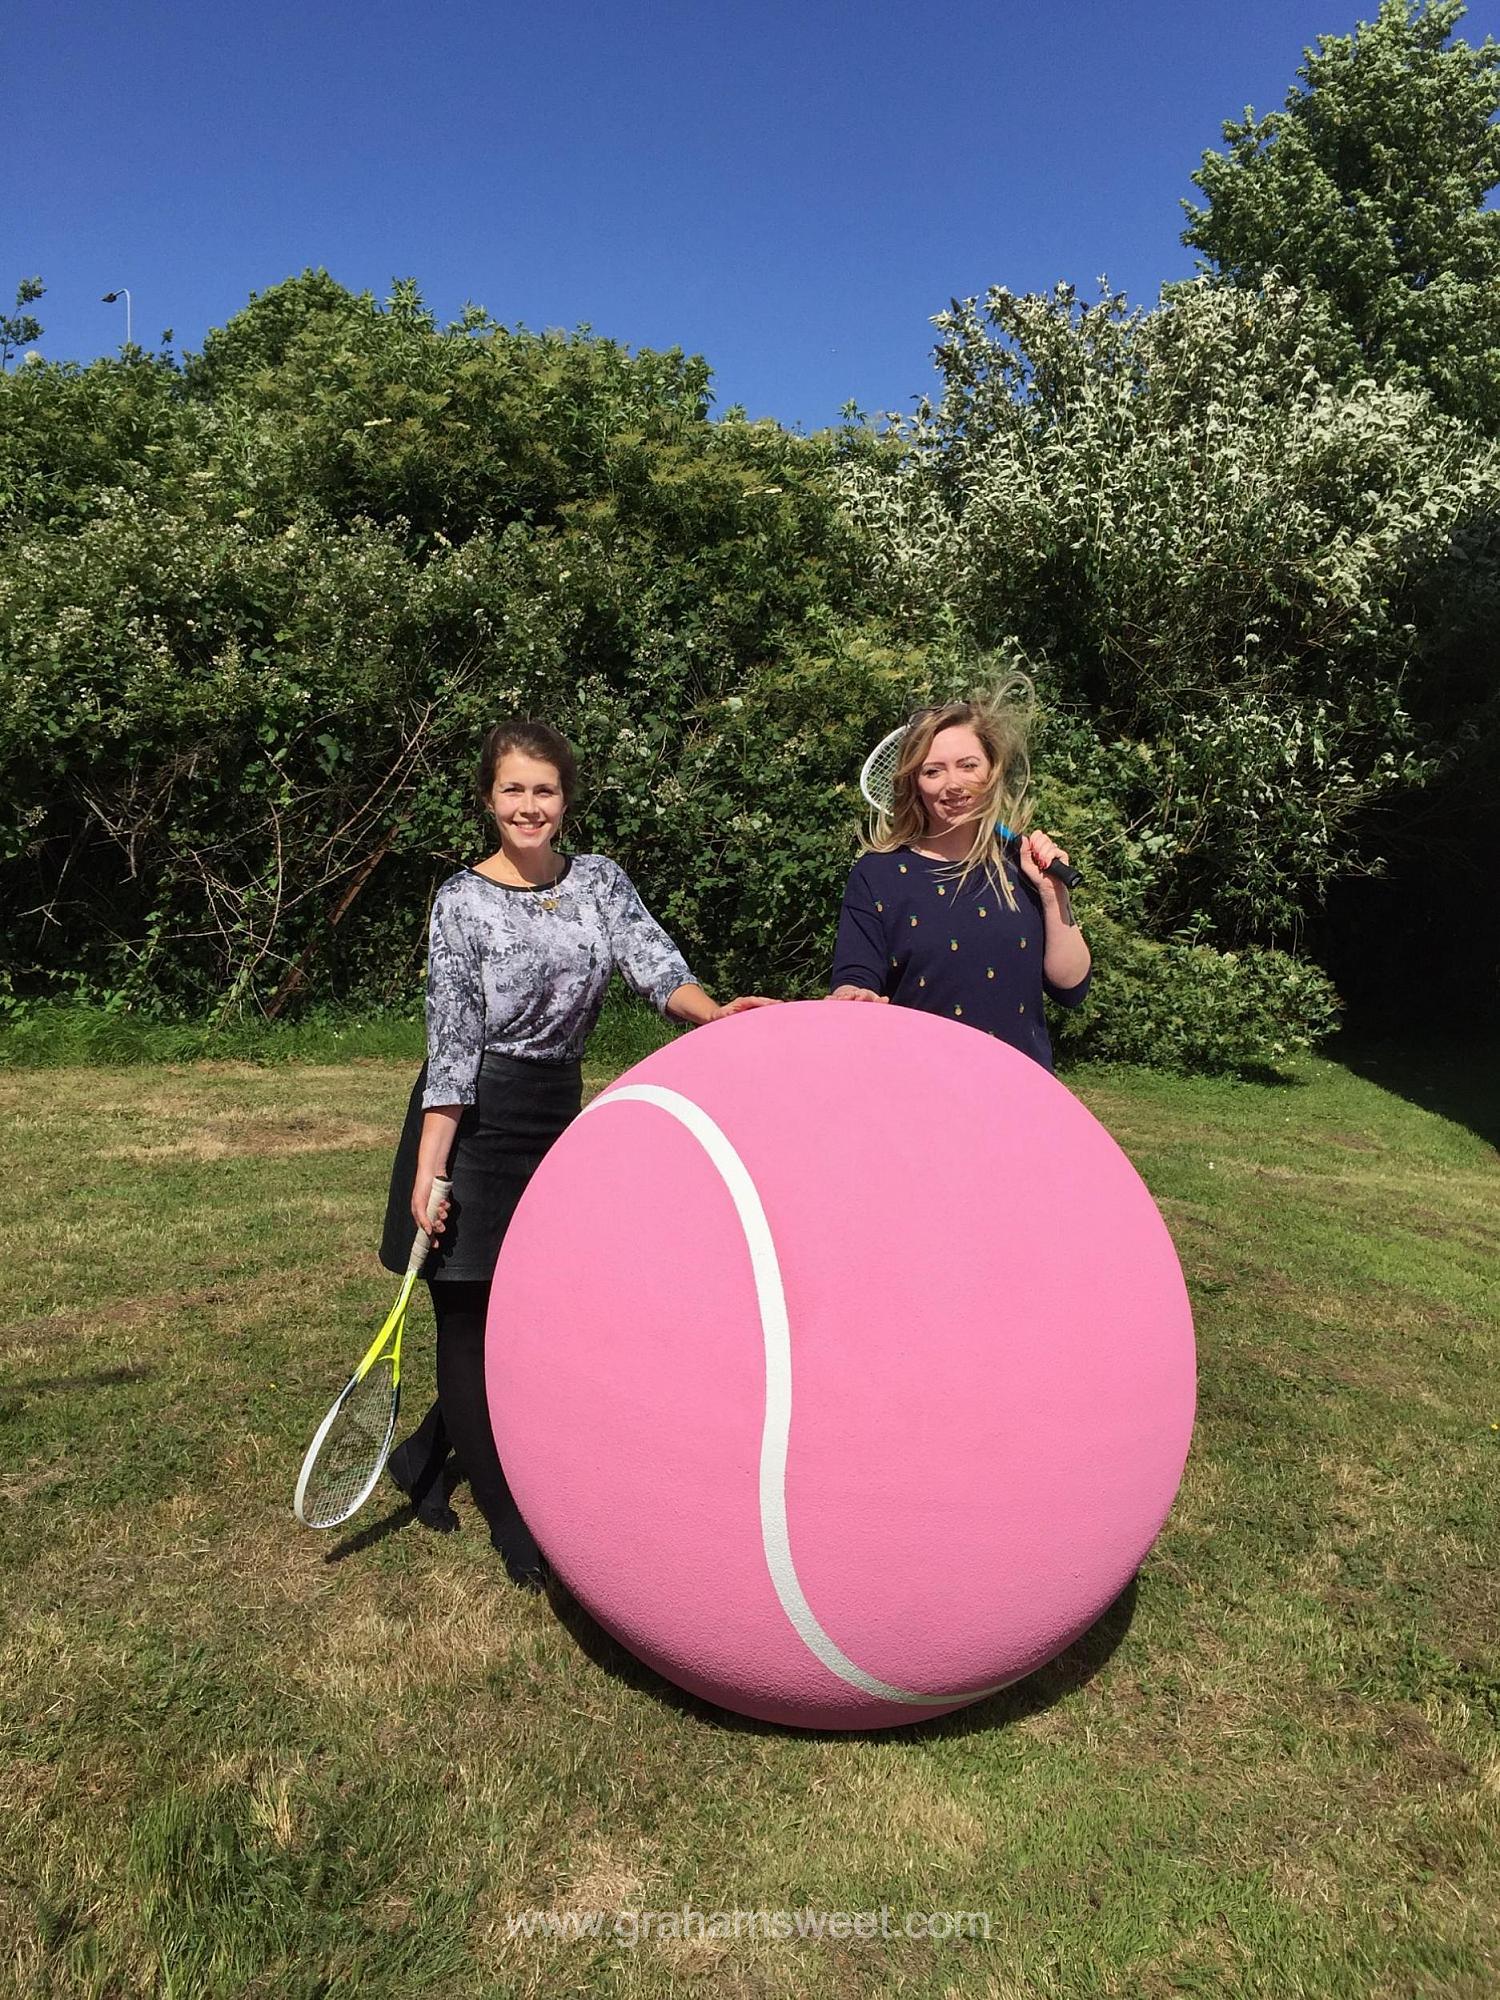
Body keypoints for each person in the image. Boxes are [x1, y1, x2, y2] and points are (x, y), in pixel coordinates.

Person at [379, 718, 770, 1589]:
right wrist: (431, 1164)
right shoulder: (460, 900)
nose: (529, 806)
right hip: (474, 1118)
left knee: (533, 1314)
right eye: (513, 789)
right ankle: (512, 1521)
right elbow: (451, 1040)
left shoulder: (597, 881)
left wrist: (711, 1013)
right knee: (470, 1319)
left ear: (565, 799)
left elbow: (651, 961)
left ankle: (422, 1459)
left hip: (558, 1114)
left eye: (544, 790)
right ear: (488, 798)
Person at [828, 692, 1091, 1068]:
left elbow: (1072, 988)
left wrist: (1054, 895)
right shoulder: (877, 874)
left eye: (968, 765)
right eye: (933, 771)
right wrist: (854, 997)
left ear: (991, 769)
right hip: (919, 1090)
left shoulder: (1022, 865)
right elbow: (855, 976)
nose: (953, 784)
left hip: (1022, 1091)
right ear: (915, 784)